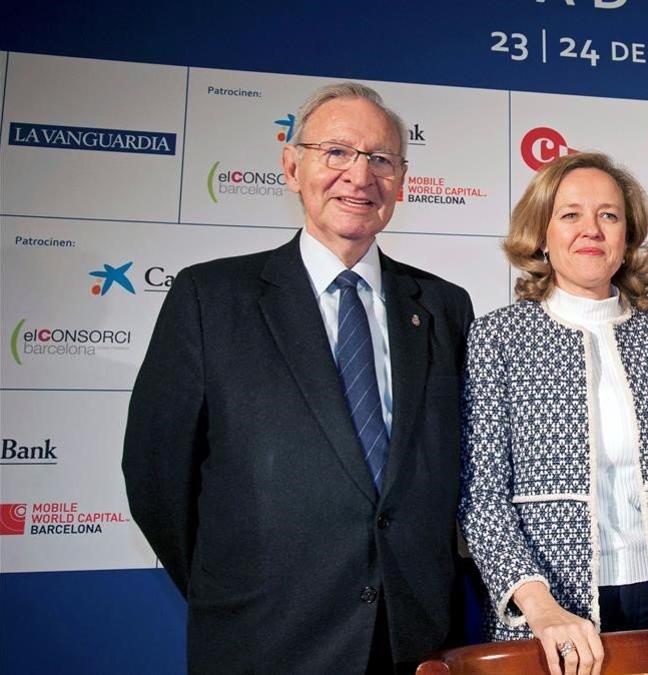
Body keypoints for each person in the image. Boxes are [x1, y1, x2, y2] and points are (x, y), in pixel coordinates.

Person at [122, 82, 473, 674]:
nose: (359, 177)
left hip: (414, 643)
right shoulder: (210, 299)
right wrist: (234, 588)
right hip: (265, 638)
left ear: (402, 182)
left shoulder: (444, 306)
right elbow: (158, 479)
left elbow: (453, 472)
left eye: (381, 159)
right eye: (336, 152)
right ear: (291, 165)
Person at [459, 152, 648, 675]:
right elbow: (482, 498)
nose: (590, 229)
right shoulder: (497, 338)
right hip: (550, 609)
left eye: (609, 215)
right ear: (541, 235)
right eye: (570, 214)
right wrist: (541, 608)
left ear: (627, 238)